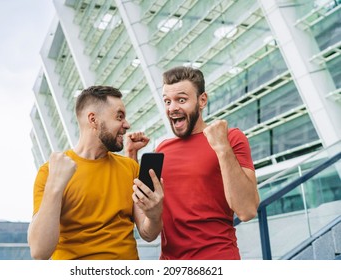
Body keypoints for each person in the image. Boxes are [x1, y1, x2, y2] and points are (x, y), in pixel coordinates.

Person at [127, 66, 259, 260]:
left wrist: (222, 148)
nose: (172, 108)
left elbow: (247, 210)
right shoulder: (162, 150)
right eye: (167, 101)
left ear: (202, 100)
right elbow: (148, 230)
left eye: (181, 100)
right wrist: (131, 155)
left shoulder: (230, 138)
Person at [28, 85, 164, 260]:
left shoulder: (130, 168)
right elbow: (40, 252)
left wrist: (154, 215)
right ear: (93, 120)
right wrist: (55, 186)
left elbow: (148, 234)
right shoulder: (50, 172)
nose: (127, 125)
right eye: (119, 116)